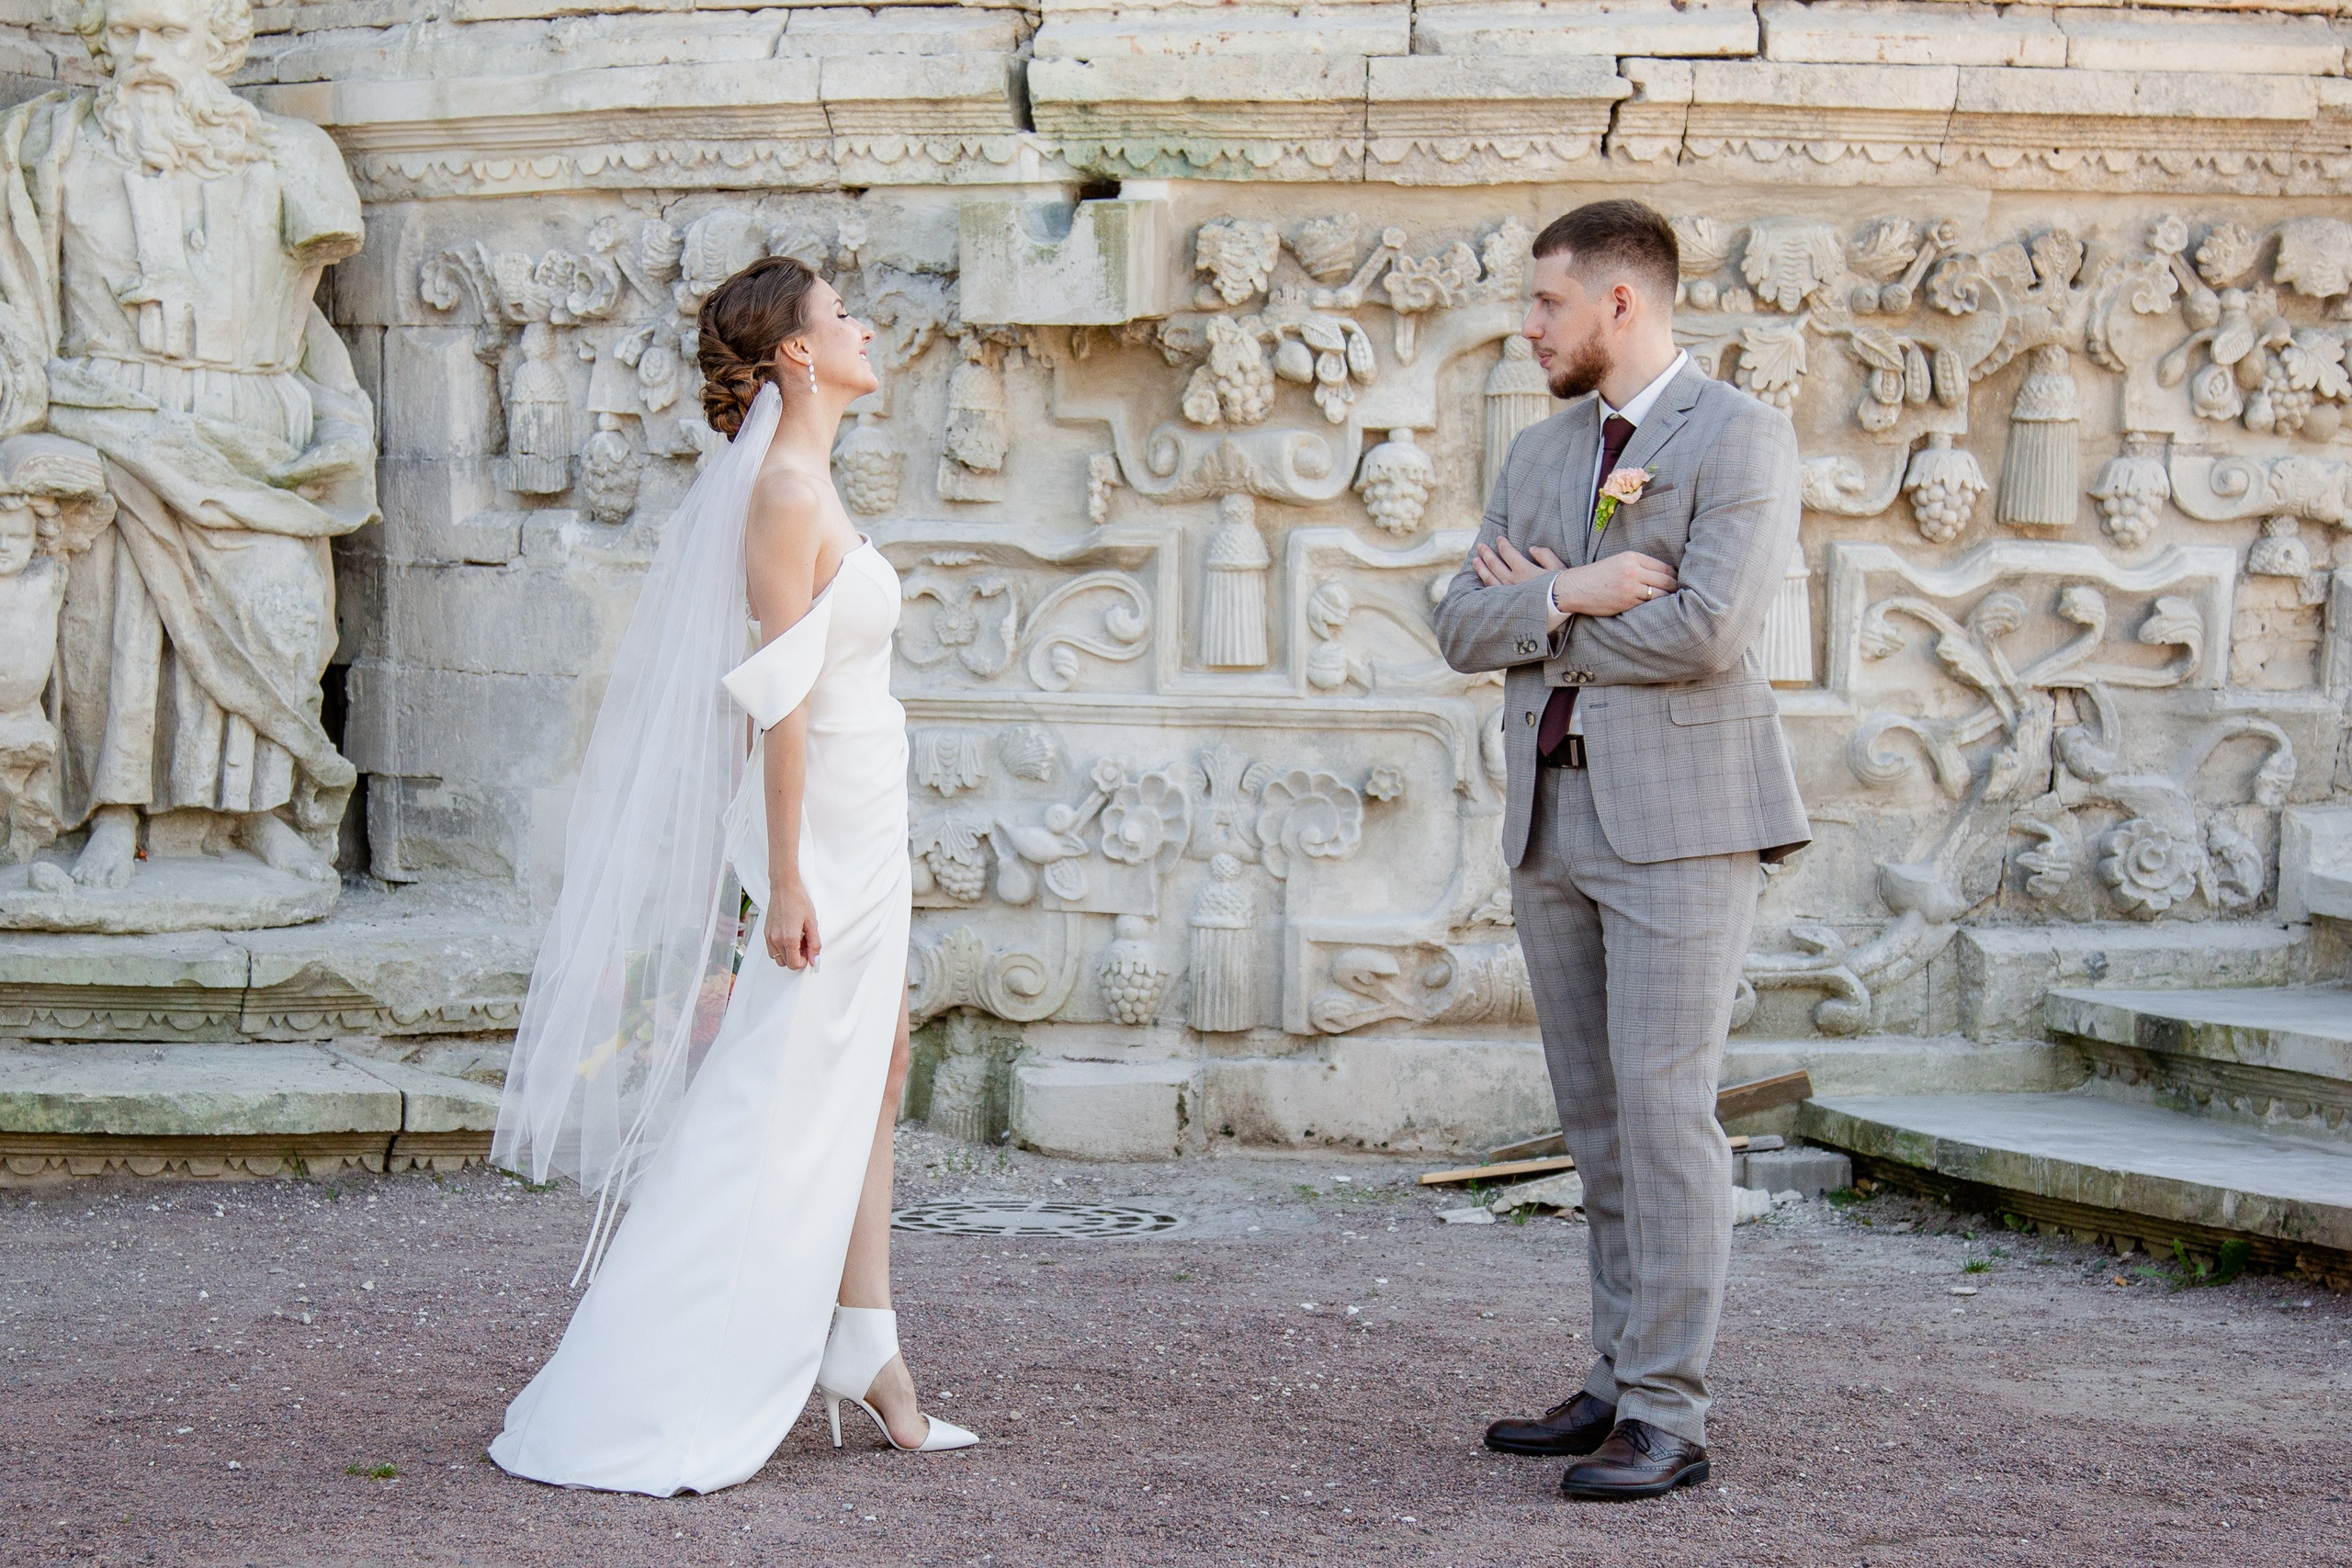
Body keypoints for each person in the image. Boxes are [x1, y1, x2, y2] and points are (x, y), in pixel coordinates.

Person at [487, 255, 976, 1497]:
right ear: (801, 355)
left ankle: (868, 1345)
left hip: (870, 809)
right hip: (826, 830)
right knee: (779, 1081)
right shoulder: (783, 492)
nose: (866, 328)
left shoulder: (816, 480)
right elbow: (777, 709)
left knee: (884, 1059)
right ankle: (658, 1376)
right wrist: (788, 885)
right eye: (841, 316)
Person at [1433, 199, 1809, 1502]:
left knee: (1664, 1114)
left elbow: (1707, 632)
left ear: (1619, 303)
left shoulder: (1745, 436)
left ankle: (1670, 1412)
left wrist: (1531, 613)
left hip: (1686, 824)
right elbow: (1456, 624)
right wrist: (1577, 593)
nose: (1527, 324)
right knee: (1595, 1122)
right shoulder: (1540, 450)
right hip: (1554, 814)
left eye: (1544, 304)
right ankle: (1611, 1378)